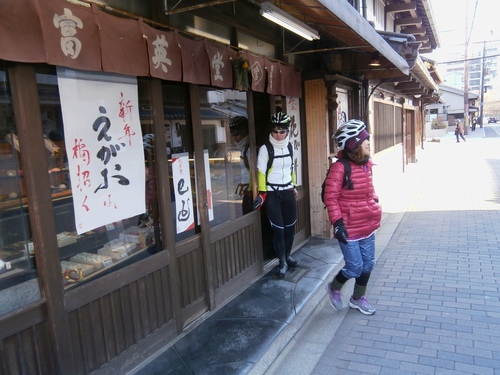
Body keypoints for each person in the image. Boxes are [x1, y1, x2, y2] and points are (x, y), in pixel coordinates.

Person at [323, 119, 382, 315]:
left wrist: (373, 200)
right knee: (355, 267)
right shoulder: (339, 168)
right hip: (348, 227)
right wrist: (337, 223)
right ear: (354, 144)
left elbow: (369, 189)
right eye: (365, 139)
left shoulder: (366, 165)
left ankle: (358, 298)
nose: (368, 142)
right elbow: (330, 197)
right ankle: (334, 287)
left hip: (367, 224)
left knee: (368, 265)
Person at [253, 111, 298, 278]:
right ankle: (282, 261)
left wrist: (293, 185)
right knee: (278, 229)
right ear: (270, 131)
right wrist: (263, 193)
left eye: (282, 131)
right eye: (275, 131)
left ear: (287, 131)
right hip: (272, 193)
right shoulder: (266, 149)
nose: (278, 135)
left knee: (290, 227)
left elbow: (290, 168)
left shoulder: (290, 146)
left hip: (287, 191)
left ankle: (288, 255)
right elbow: (261, 172)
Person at [229, 116, 253, 214]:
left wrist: (251, 191)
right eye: (233, 134)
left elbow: (255, 172)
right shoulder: (244, 148)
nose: (235, 137)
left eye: (237, 134)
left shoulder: (250, 149)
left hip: (251, 191)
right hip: (247, 190)